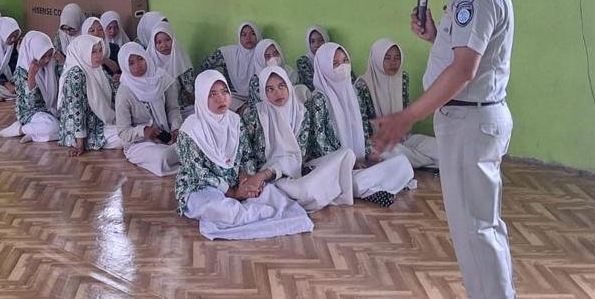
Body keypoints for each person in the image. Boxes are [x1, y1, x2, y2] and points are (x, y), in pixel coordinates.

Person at [371, 0, 526, 299]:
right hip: (468, 118)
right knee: (472, 226)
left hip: (470, 119)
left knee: (478, 227)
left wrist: (406, 117)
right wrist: (434, 35)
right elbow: (464, 55)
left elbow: (463, 71)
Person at [173, 70, 313, 241]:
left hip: (235, 181)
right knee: (220, 208)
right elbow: (198, 172)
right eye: (212, 94)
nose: (221, 98)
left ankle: (252, 212)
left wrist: (246, 180)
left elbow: (246, 155)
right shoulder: (190, 130)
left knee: (273, 196)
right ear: (202, 98)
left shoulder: (235, 121)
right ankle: (256, 214)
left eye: (225, 92)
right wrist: (232, 193)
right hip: (199, 186)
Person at [310, 42, 415, 206]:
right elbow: (320, 144)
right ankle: (370, 189)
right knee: (342, 180)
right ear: (323, 67)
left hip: (360, 162)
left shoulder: (353, 93)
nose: (342, 67)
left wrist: (370, 156)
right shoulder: (318, 99)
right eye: (335, 64)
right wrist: (349, 163)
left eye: (345, 61)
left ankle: (369, 188)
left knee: (402, 162)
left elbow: (365, 130)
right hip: (333, 166)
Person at [240, 68, 353, 212]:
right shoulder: (254, 116)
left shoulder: (301, 114)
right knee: (303, 190)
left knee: (347, 154)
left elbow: (297, 156)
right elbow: (245, 153)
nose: (277, 93)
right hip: (273, 180)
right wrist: (252, 180)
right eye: (270, 89)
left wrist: (266, 173)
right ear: (263, 92)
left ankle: (310, 191)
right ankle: (314, 191)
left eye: (281, 86)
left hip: (295, 169)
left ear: (288, 85)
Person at [359, 39, 439, 170]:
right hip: (377, 145)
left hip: (403, 138)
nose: (393, 63)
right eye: (387, 58)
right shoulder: (362, 85)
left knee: (439, 147)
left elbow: (405, 112)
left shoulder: (403, 77)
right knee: (391, 154)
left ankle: (421, 161)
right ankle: (430, 162)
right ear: (377, 59)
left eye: (397, 57)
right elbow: (362, 126)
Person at [115, 43, 182, 176]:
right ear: (125, 66)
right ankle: (186, 154)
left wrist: (176, 128)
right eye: (131, 63)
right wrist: (143, 131)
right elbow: (123, 132)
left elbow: (172, 109)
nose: (138, 65)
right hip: (140, 143)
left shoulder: (161, 79)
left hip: (167, 135)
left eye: (140, 59)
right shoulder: (124, 93)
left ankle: (183, 150)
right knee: (163, 157)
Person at [57, 36, 120, 156]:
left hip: (98, 120)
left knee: (131, 128)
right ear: (82, 52)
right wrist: (80, 143)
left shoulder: (95, 68)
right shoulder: (76, 75)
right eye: (93, 52)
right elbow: (77, 110)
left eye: (100, 50)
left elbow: (114, 91)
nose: (99, 55)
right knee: (126, 135)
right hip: (85, 132)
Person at [1, 31, 59, 143]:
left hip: (50, 111)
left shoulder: (51, 65)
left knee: (67, 128)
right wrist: (31, 76)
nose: (47, 60)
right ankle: (20, 130)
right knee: (53, 127)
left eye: (49, 55)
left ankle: (34, 133)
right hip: (30, 112)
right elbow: (30, 104)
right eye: (43, 56)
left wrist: (62, 60)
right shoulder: (21, 71)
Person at [200, 21, 261, 109]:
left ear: (258, 35)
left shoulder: (263, 53)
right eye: (244, 35)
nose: (248, 38)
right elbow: (205, 65)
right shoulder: (228, 53)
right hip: (233, 96)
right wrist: (217, 80)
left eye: (252, 34)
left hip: (257, 97)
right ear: (239, 37)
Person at [244, 38, 308, 107]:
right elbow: (256, 106)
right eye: (267, 56)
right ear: (260, 60)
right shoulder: (256, 81)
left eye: (276, 53)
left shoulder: (290, 72)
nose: (273, 58)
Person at [147, 21, 195, 112]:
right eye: (159, 42)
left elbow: (190, 90)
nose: (163, 45)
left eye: (167, 40)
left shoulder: (180, 57)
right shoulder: (149, 62)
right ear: (153, 44)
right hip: (157, 110)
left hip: (182, 107)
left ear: (173, 39)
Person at [296, 26, 329, 91]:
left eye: (320, 40)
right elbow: (313, 84)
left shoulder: (333, 58)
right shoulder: (303, 62)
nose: (316, 45)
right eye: (312, 41)